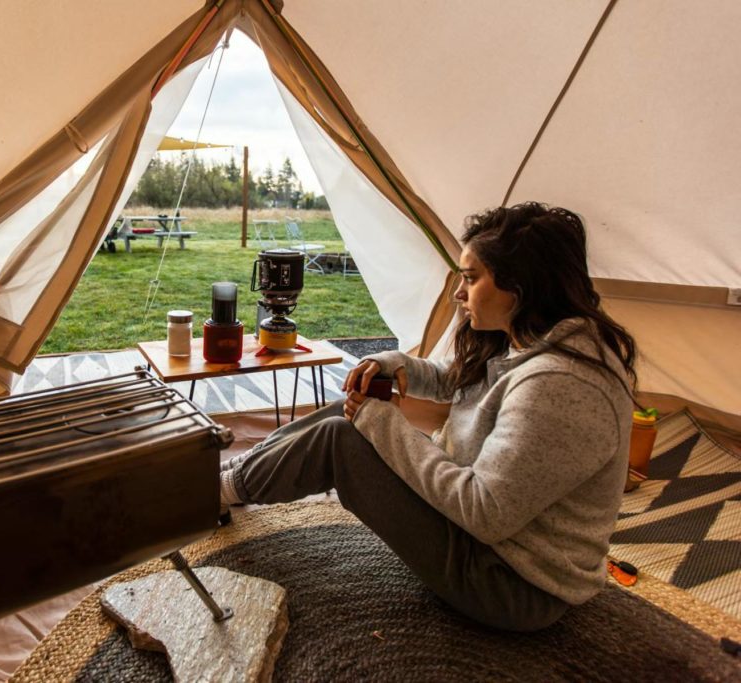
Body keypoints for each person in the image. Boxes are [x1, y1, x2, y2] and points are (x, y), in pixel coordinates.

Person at [219, 202, 637, 631]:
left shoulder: (562, 385)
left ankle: (212, 493)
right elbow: (454, 380)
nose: (459, 292)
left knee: (343, 438)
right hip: (488, 545)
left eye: (471, 278)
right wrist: (393, 363)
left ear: (519, 286)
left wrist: (382, 424)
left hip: (512, 583)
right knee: (346, 415)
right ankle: (227, 476)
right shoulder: (528, 340)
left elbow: (485, 511)